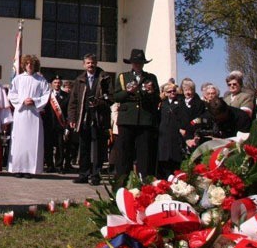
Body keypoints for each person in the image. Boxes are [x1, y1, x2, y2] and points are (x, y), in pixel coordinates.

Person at [113, 48, 160, 179]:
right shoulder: (123, 77)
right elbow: (116, 97)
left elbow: (157, 99)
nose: (138, 64)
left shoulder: (151, 77)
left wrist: (150, 92)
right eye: (135, 62)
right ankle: (122, 182)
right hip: (127, 119)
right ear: (131, 63)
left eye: (140, 62)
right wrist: (128, 91)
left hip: (144, 120)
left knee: (144, 154)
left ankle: (145, 182)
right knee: (124, 154)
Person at [67, 53, 113, 185]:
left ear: (96, 63)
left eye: (92, 62)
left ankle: (95, 175)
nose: (90, 65)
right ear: (84, 65)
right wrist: (72, 117)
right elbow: (73, 101)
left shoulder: (105, 77)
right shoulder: (79, 79)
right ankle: (83, 174)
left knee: (98, 147)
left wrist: (100, 102)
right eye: (88, 63)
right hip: (84, 116)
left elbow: (111, 97)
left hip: (99, 116)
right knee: (84, 146)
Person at [7, 55, 50, 178]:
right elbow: (12, 94)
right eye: (27, 63)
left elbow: (46, 95)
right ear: (24, 65)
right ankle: (17, 168)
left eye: (32, 64)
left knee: (32, 142)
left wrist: (35, 101)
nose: (30, 65)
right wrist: (22, 101)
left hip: (34, 115)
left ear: (35, 65)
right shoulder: (18, 79)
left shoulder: (41, 80)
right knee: (19, 142)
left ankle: (30, 170)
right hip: (20, 114)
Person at [156, 83, 188, 179]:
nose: (172, 93)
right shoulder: (162, 103)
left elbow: (184, 117)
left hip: (175, 132)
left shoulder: (181, 101)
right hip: (163, 133)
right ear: (165, 93)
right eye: (169, 91)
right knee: (164, 156)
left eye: (174, 91)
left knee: (174, 155)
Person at [43, 74, 69, 173]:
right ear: (51, 84)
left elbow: (67, 112)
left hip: (60, 126)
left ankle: (59, 166)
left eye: (59, 83)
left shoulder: (66, 95)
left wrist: (67, 126)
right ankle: (50, 165)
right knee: (48, 146)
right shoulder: (47, 96)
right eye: (55, 82)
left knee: (60, 147)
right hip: (49, 125)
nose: (57, 84)